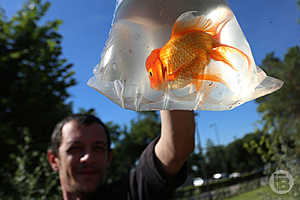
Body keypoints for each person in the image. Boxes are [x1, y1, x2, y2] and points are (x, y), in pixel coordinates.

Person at [47, 110, 195, 199]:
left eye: (98, 148)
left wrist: (166, 65)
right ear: (54, 160)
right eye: (75, 148)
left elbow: (177, 146)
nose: (88, 157)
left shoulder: (131, 193)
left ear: (109, 157)